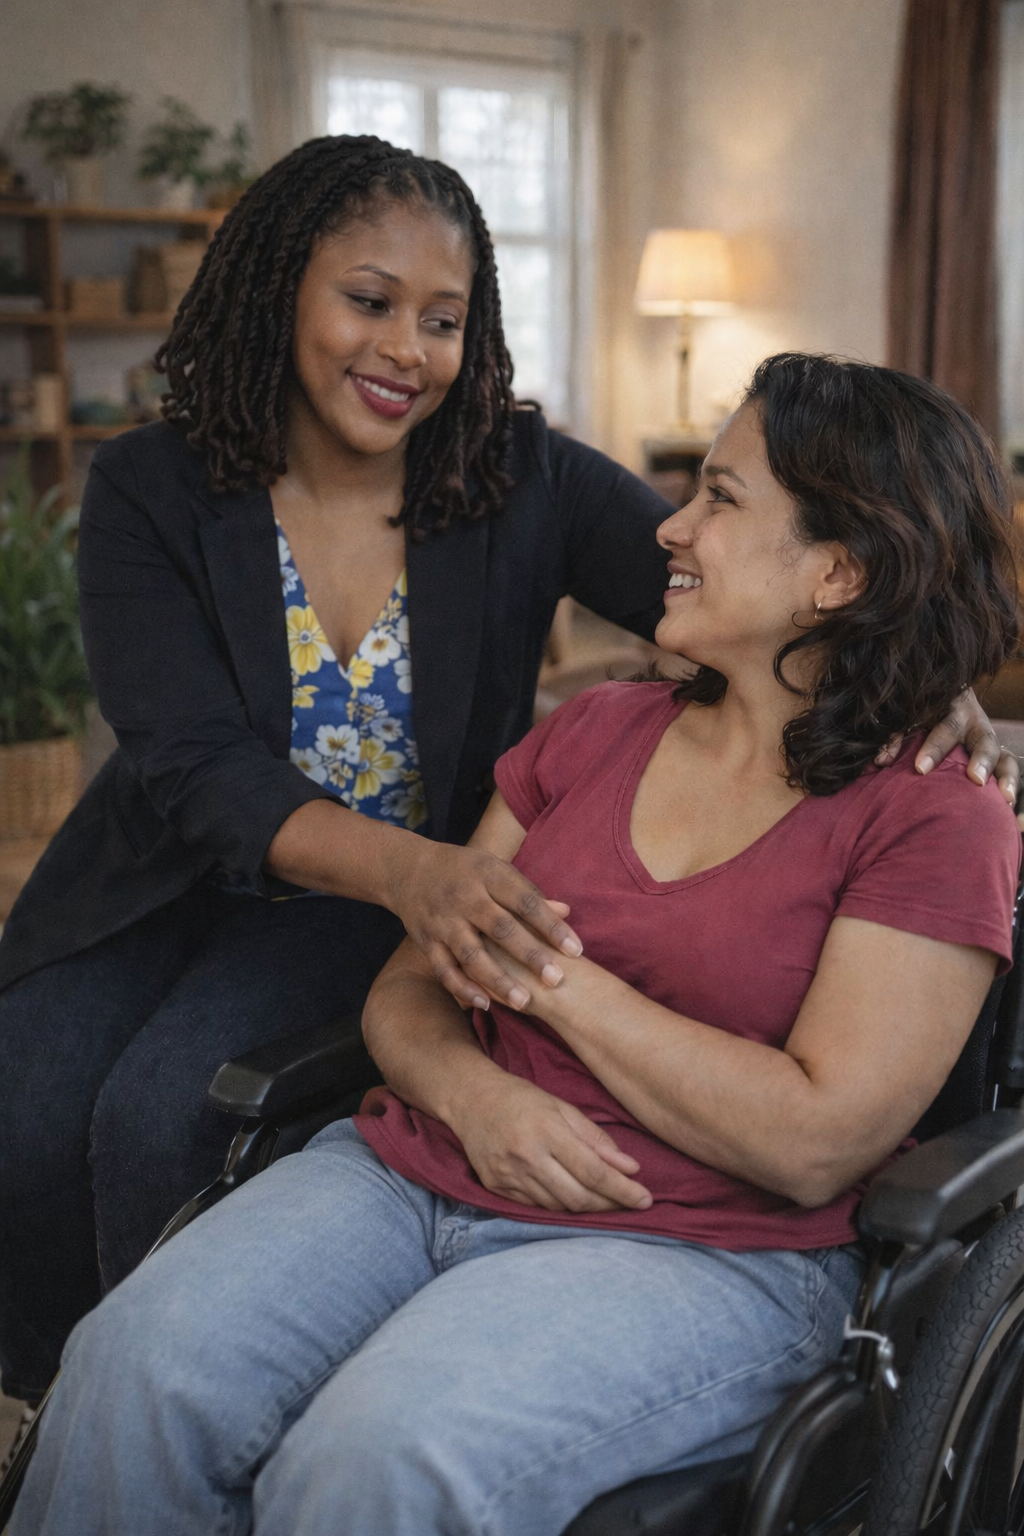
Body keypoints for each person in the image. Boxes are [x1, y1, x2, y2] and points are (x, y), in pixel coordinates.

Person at [0, 135, 1011, 1414]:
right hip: (184, 868)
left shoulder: (512, 469)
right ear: (278, 292)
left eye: (443, 319)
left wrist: (934, 677)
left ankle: (213, 1421)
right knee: (26, 1101)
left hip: (375, 902)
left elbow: (746, 595)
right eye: (369, 303)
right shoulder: (150, 485)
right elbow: (197, 766)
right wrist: (430, 889)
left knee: (162, 1112)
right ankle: (62, 1404)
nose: (406, 351)